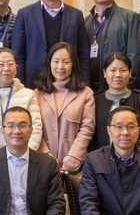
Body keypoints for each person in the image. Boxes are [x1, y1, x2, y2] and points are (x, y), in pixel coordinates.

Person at [12, 0, 90, 88]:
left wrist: (84, 84)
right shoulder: (25, 14)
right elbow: (18, 54)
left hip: (69, 82)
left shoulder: (76, 15)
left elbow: (83, 55)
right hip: (34, 81)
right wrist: (19, 86)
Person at [34, 42, 95, 171]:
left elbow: (87, 129)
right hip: (43, 163)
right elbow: (34, 129)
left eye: (66, 62)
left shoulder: (85, 93)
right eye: (56, 61)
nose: (60, 67)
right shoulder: (37, 93)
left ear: (73, 64)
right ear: (49, 63)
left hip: (76, 164)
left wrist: (73, 159)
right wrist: (47, 157)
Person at [84, 0, 140, 91]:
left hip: (120, 88)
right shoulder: (85, 22)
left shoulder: (130, 18)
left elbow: (136, 58)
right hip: (91, 89)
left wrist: (127, 89)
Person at [0, 48, 43, 153]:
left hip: (23, 157)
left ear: (16, 67)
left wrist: (24, 154)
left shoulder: (29, 95)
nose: (6, 68)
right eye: (1, 64)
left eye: (10, 64)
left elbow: (36, 128)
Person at [91, 52, 140, 152]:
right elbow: (91, 135)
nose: (118, 75)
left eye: (123, 70)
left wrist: (127, 156)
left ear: (130, 72)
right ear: (104, 72)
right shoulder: (95, 99)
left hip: (135, 158)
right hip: (100, 159)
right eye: (113, 70)